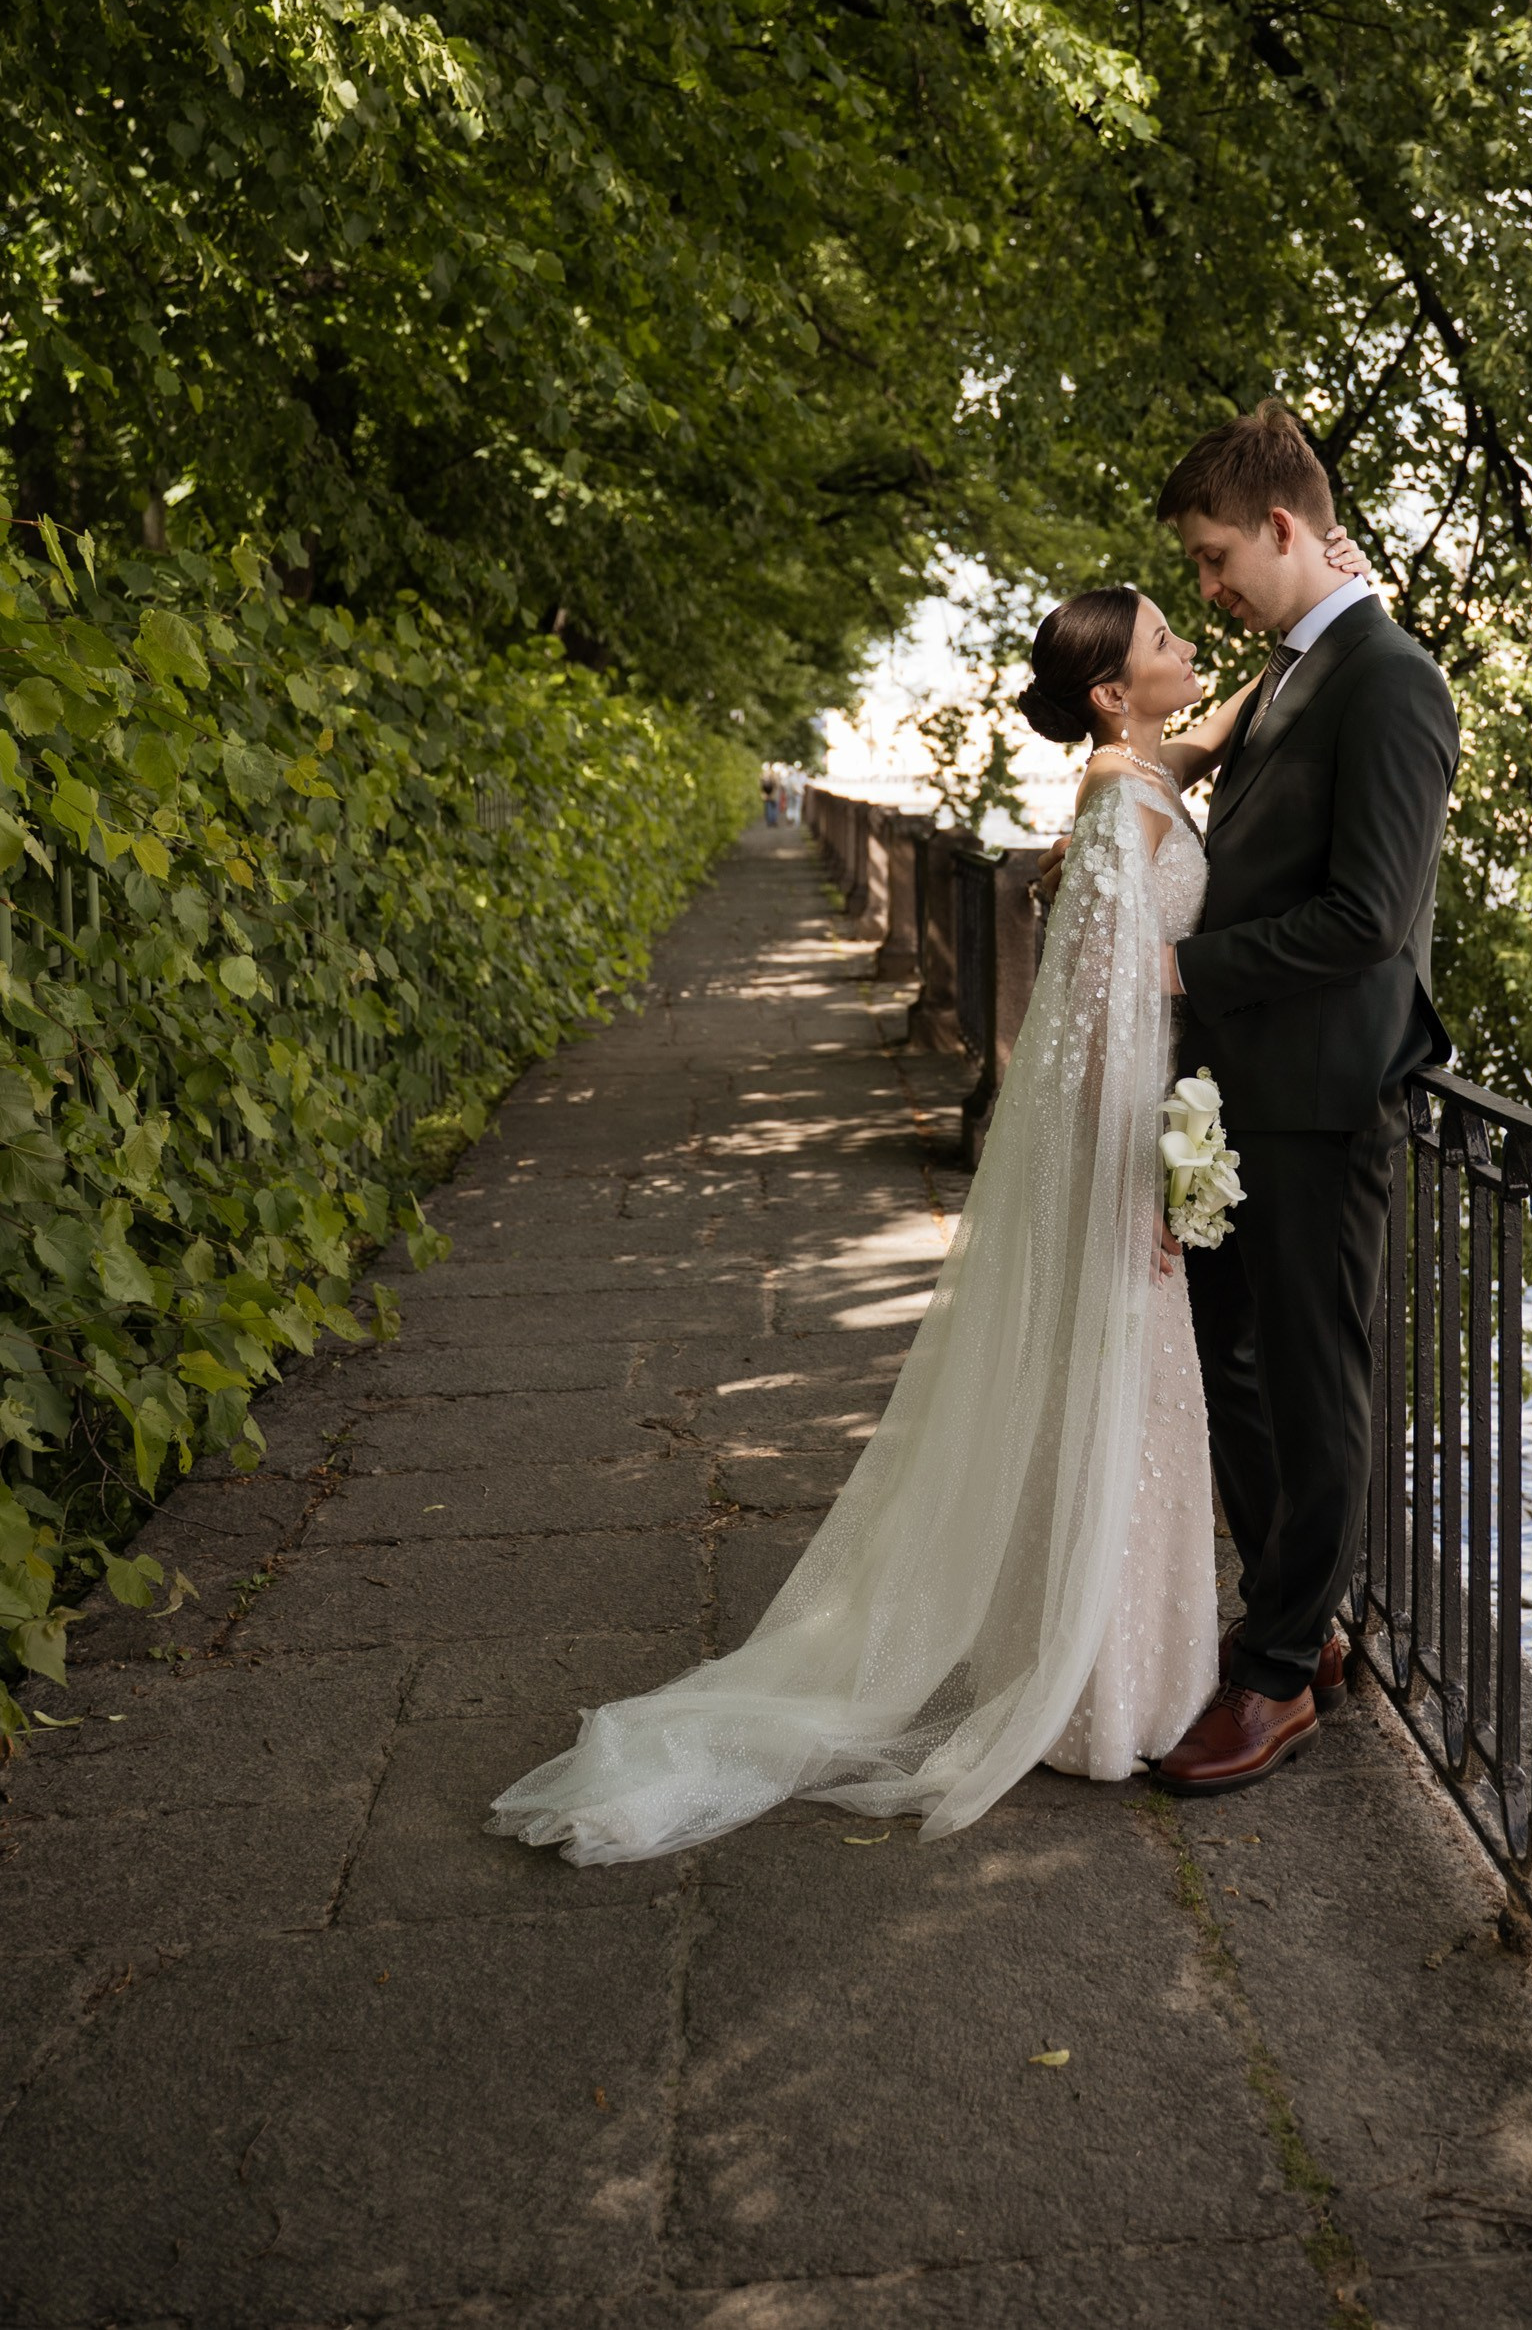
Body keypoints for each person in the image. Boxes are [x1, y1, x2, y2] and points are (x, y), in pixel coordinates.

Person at [486, 540, 1359, 1863]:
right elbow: (1100, 1019)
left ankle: (1127, 1678)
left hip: (1133, 1139)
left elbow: (1219, 729)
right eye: (1168, 642)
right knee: (1130, 1408)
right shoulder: (1122, 808)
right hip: (1126, 1155)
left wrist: (1340, 613)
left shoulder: (1130, 773)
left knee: (1137, 1410)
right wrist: (1150, 1178)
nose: (1193, 653)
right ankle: (1103, 1696)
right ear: (1118, 695)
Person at [1148, 401, 1458, 1793]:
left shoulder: (1391, 678)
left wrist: (1180, 964)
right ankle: (1303, 1630)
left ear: (1284, 528)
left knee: (1316, 1394)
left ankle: (1275, 1676)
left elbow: (1369, 921)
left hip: (1325, 1099)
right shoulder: (1287, 676)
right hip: (1239, 1096)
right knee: (1238, 1376)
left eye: (1216, 557)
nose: (1205, 588)